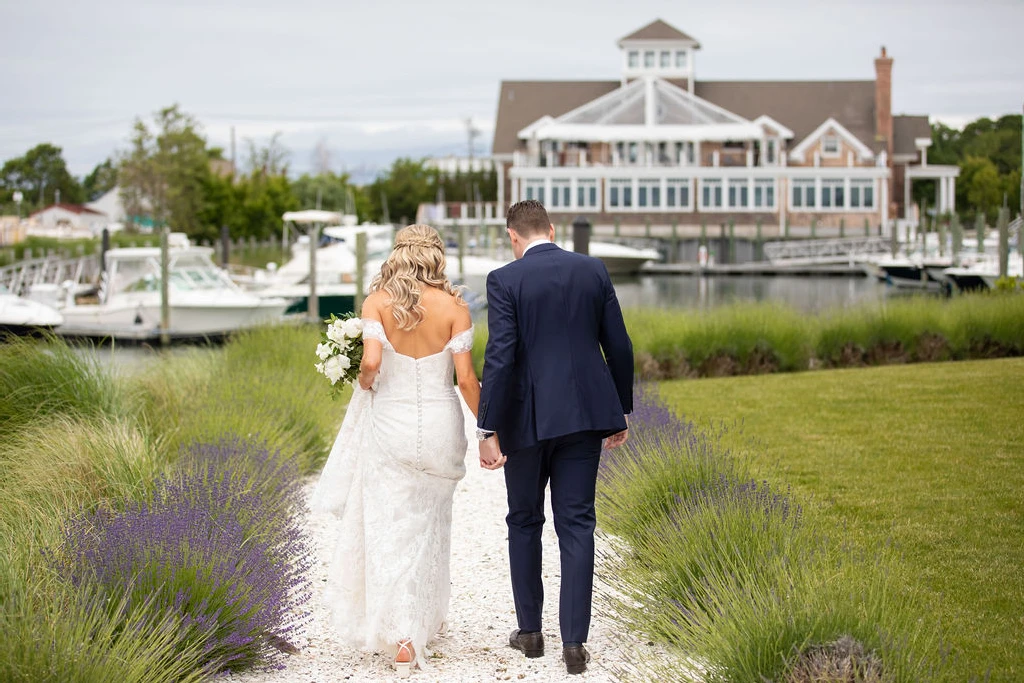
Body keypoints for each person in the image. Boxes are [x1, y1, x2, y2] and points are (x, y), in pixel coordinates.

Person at [311, 224, 481, 678]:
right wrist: (488, 429)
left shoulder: (377, 302)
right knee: (430, 523)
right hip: (442, 425)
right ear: (437, 256)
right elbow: (466, 380)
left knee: (392, 527)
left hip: (392, 424)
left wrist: (366, 383)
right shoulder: (456, 307)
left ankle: (403, 634)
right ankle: (426, 621)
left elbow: (370, 363)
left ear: (398, 255)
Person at [477, 200, 633, 675]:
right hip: (586, 416)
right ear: (551, 228)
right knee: (578, 522)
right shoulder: (592, 270)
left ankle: (529, 634)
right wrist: (620, 409)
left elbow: (500, 357)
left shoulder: (504, 279)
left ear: (513, 235)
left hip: (525, 421)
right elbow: (619, 344)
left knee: (524, 520)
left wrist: (487, 427)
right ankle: (574, 644)